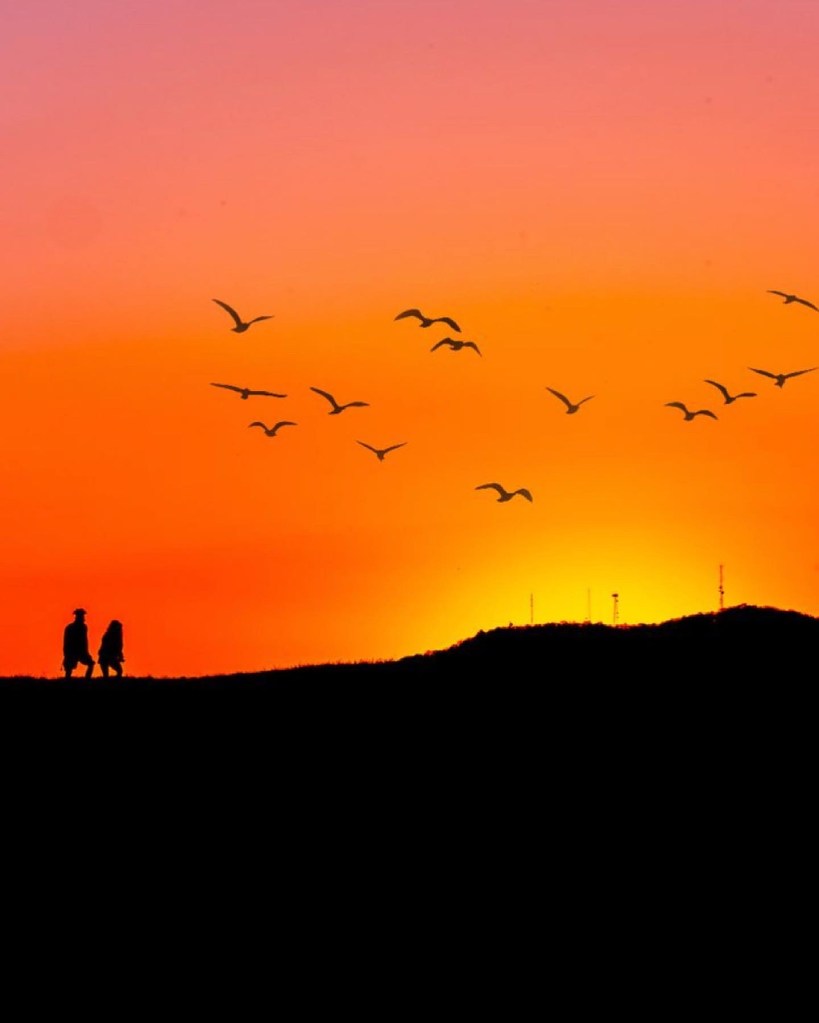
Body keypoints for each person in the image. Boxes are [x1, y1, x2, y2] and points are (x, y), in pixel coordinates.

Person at [63, 607, 95, 678]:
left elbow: (84, 640)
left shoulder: (83, 627)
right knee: (69, 668)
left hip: (80, 651)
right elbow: (66, 641)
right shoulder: (70, 627)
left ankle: (87, 679)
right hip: (72, 651)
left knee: (91, 664)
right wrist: (66, 653)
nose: (83, 618)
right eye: (82, 616)